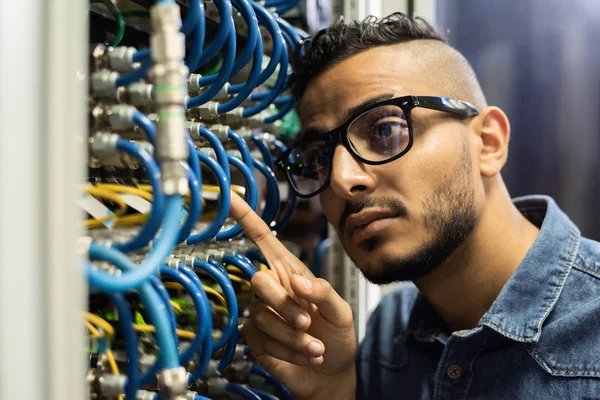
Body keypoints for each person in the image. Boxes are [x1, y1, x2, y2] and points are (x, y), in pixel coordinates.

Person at [229, 12, 600, 400]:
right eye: (320, 157)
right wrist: (334, 392)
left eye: (384, 130)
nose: (341, 179)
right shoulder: (388, 335)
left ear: (488, 143)